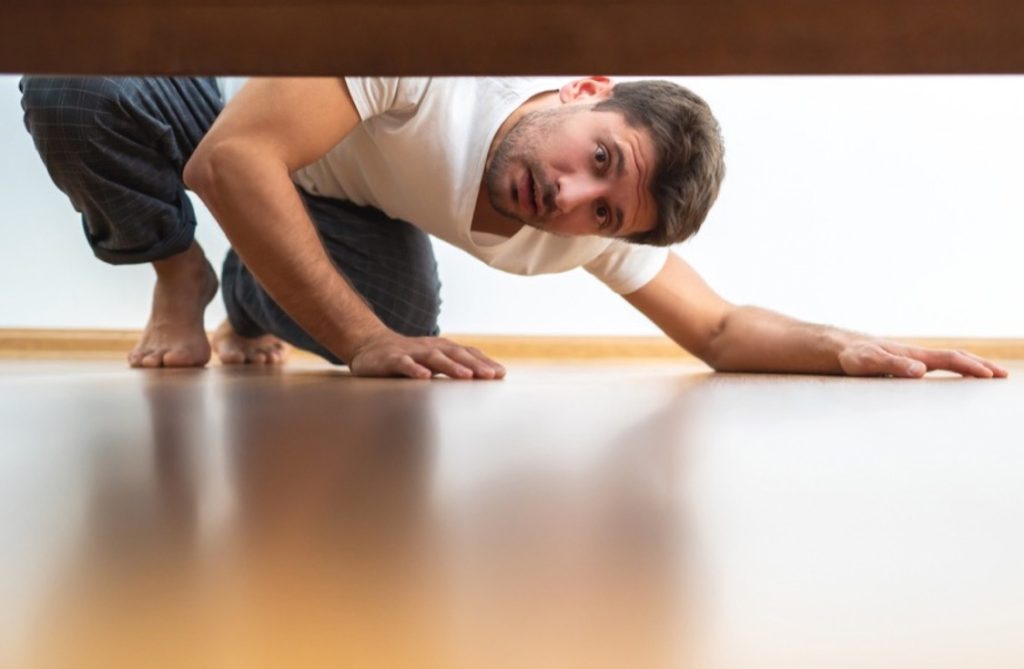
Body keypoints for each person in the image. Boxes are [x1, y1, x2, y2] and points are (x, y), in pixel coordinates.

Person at [18, 75, 1007, 380]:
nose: (570, 199)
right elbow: (229, 159)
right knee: (74, 84)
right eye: (600, 157)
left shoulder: (578, 226)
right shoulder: (433, 59)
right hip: (226, 111)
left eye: (605, 211)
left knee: (409, 327)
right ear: (584, 90)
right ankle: (180, 270)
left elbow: (714, 327)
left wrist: (847, 347)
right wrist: (360, 340)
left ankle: (252, 297)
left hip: (338, 201)